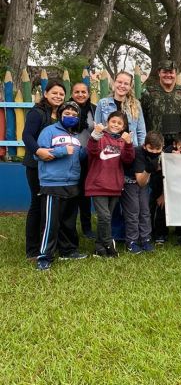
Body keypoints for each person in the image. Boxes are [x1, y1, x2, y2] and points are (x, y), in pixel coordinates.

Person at [34, 101, 87, 270]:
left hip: (72, 183)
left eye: (74, 115)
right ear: (60, 115)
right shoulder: (48, 131)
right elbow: (38, 155)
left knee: (68, 221)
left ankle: (68, 251)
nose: (70, 117)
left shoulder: (76, 137)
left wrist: (91, 146)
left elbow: (81, 157)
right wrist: (62, 150)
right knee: (51, 222)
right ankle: (44, 256)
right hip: (52, 184)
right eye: (67, 114)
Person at [22, 80, 65, 260]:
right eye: (54, 93)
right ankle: (32, 249)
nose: (58, 96)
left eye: (61, 94)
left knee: (50, 208)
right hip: (36, 165)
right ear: (45, 94)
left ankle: (46, 244)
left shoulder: (62, 114)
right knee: (37, 205)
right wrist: (39, 151)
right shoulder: (37, 112)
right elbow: (27, 136)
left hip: (54, 168)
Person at [85, 112, 135, 257]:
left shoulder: (122, 141)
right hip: (98, 185)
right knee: (105, 217)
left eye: (119, 123)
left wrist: (129, 143)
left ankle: (99, 248)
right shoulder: (100, 137)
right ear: (108, 122)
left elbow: (128, 159)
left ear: (123, 127)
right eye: (113, 121)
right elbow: (92, 150)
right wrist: (95, 135)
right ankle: (108, 244)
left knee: (106, 218)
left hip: (115, 186)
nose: (115, 125)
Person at [140, 60, 181, 147]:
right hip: (156, 144)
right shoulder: (148, 94)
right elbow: (141, 118)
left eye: (171, 72)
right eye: (164, 72)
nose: (168, 75)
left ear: (176, 73)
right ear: (159, 73)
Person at [150, 131, 181, 245]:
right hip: (164, 186)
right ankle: (161, 233)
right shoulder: (166, 153)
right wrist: (163, 194)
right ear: (175, 144)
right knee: (162, 208)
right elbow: (162, 175)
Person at [129, 131, 165, 251]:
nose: (154, 152)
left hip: (145, 182)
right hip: (130, 182)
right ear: (145, 146)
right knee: (133, 212)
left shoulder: (164, 155)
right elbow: (140, 181)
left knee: (145, 211)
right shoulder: (139, 152)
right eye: (151, 148)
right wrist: (149, 169)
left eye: (157, 149)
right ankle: (132, 241)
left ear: (162, 147)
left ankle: (145, 239)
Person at [70, 81, 96, 239]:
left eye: (83, 92)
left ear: (88, 93)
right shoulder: (67, 110)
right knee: (72, 193)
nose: (80, 95)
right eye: (77, 92)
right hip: (70, 157)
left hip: (89, 157)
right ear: (72, 94)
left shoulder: (94, 109)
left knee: (86, 193)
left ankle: (87, 228)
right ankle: (69, 227)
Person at [94, 71, 146, 146]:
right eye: (119, 82)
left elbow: (141, 132)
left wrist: (141, 152)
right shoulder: (102, 104)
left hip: (130, 149)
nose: (122, 86)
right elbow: (97, 129)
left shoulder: (135, 105)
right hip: (108, 149)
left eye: (126, 84)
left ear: (130, 86)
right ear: (114, 83)